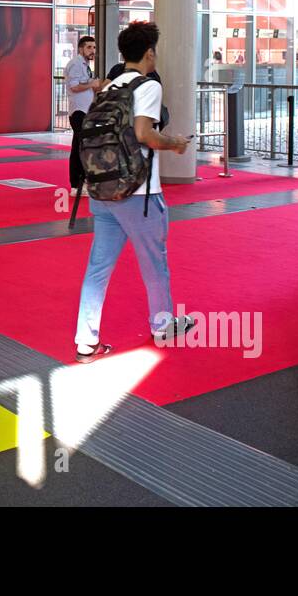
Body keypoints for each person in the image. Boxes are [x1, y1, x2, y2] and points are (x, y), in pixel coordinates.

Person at [73, 22, 195, 362]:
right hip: (139, 194)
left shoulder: (110, 86)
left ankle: (85, 339)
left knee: (98, 267)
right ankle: (163, 325)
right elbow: (144, 133)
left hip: (103, 190)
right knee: (155, 263)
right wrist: (175, 144)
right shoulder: (148, 86)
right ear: (149, 53)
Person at [65, 36, 104, 190]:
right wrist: (91, 84)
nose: (92, 51)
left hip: (84, 110)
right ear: (81, 48)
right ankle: (77, 183)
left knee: (81, 146)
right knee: (80, 147)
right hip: (78, 111)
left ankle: (80, 182)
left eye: (94, 47)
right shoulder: (76, 64)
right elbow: (74, 86)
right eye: (89, 47)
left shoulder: (84, 65)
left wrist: (93, 85)